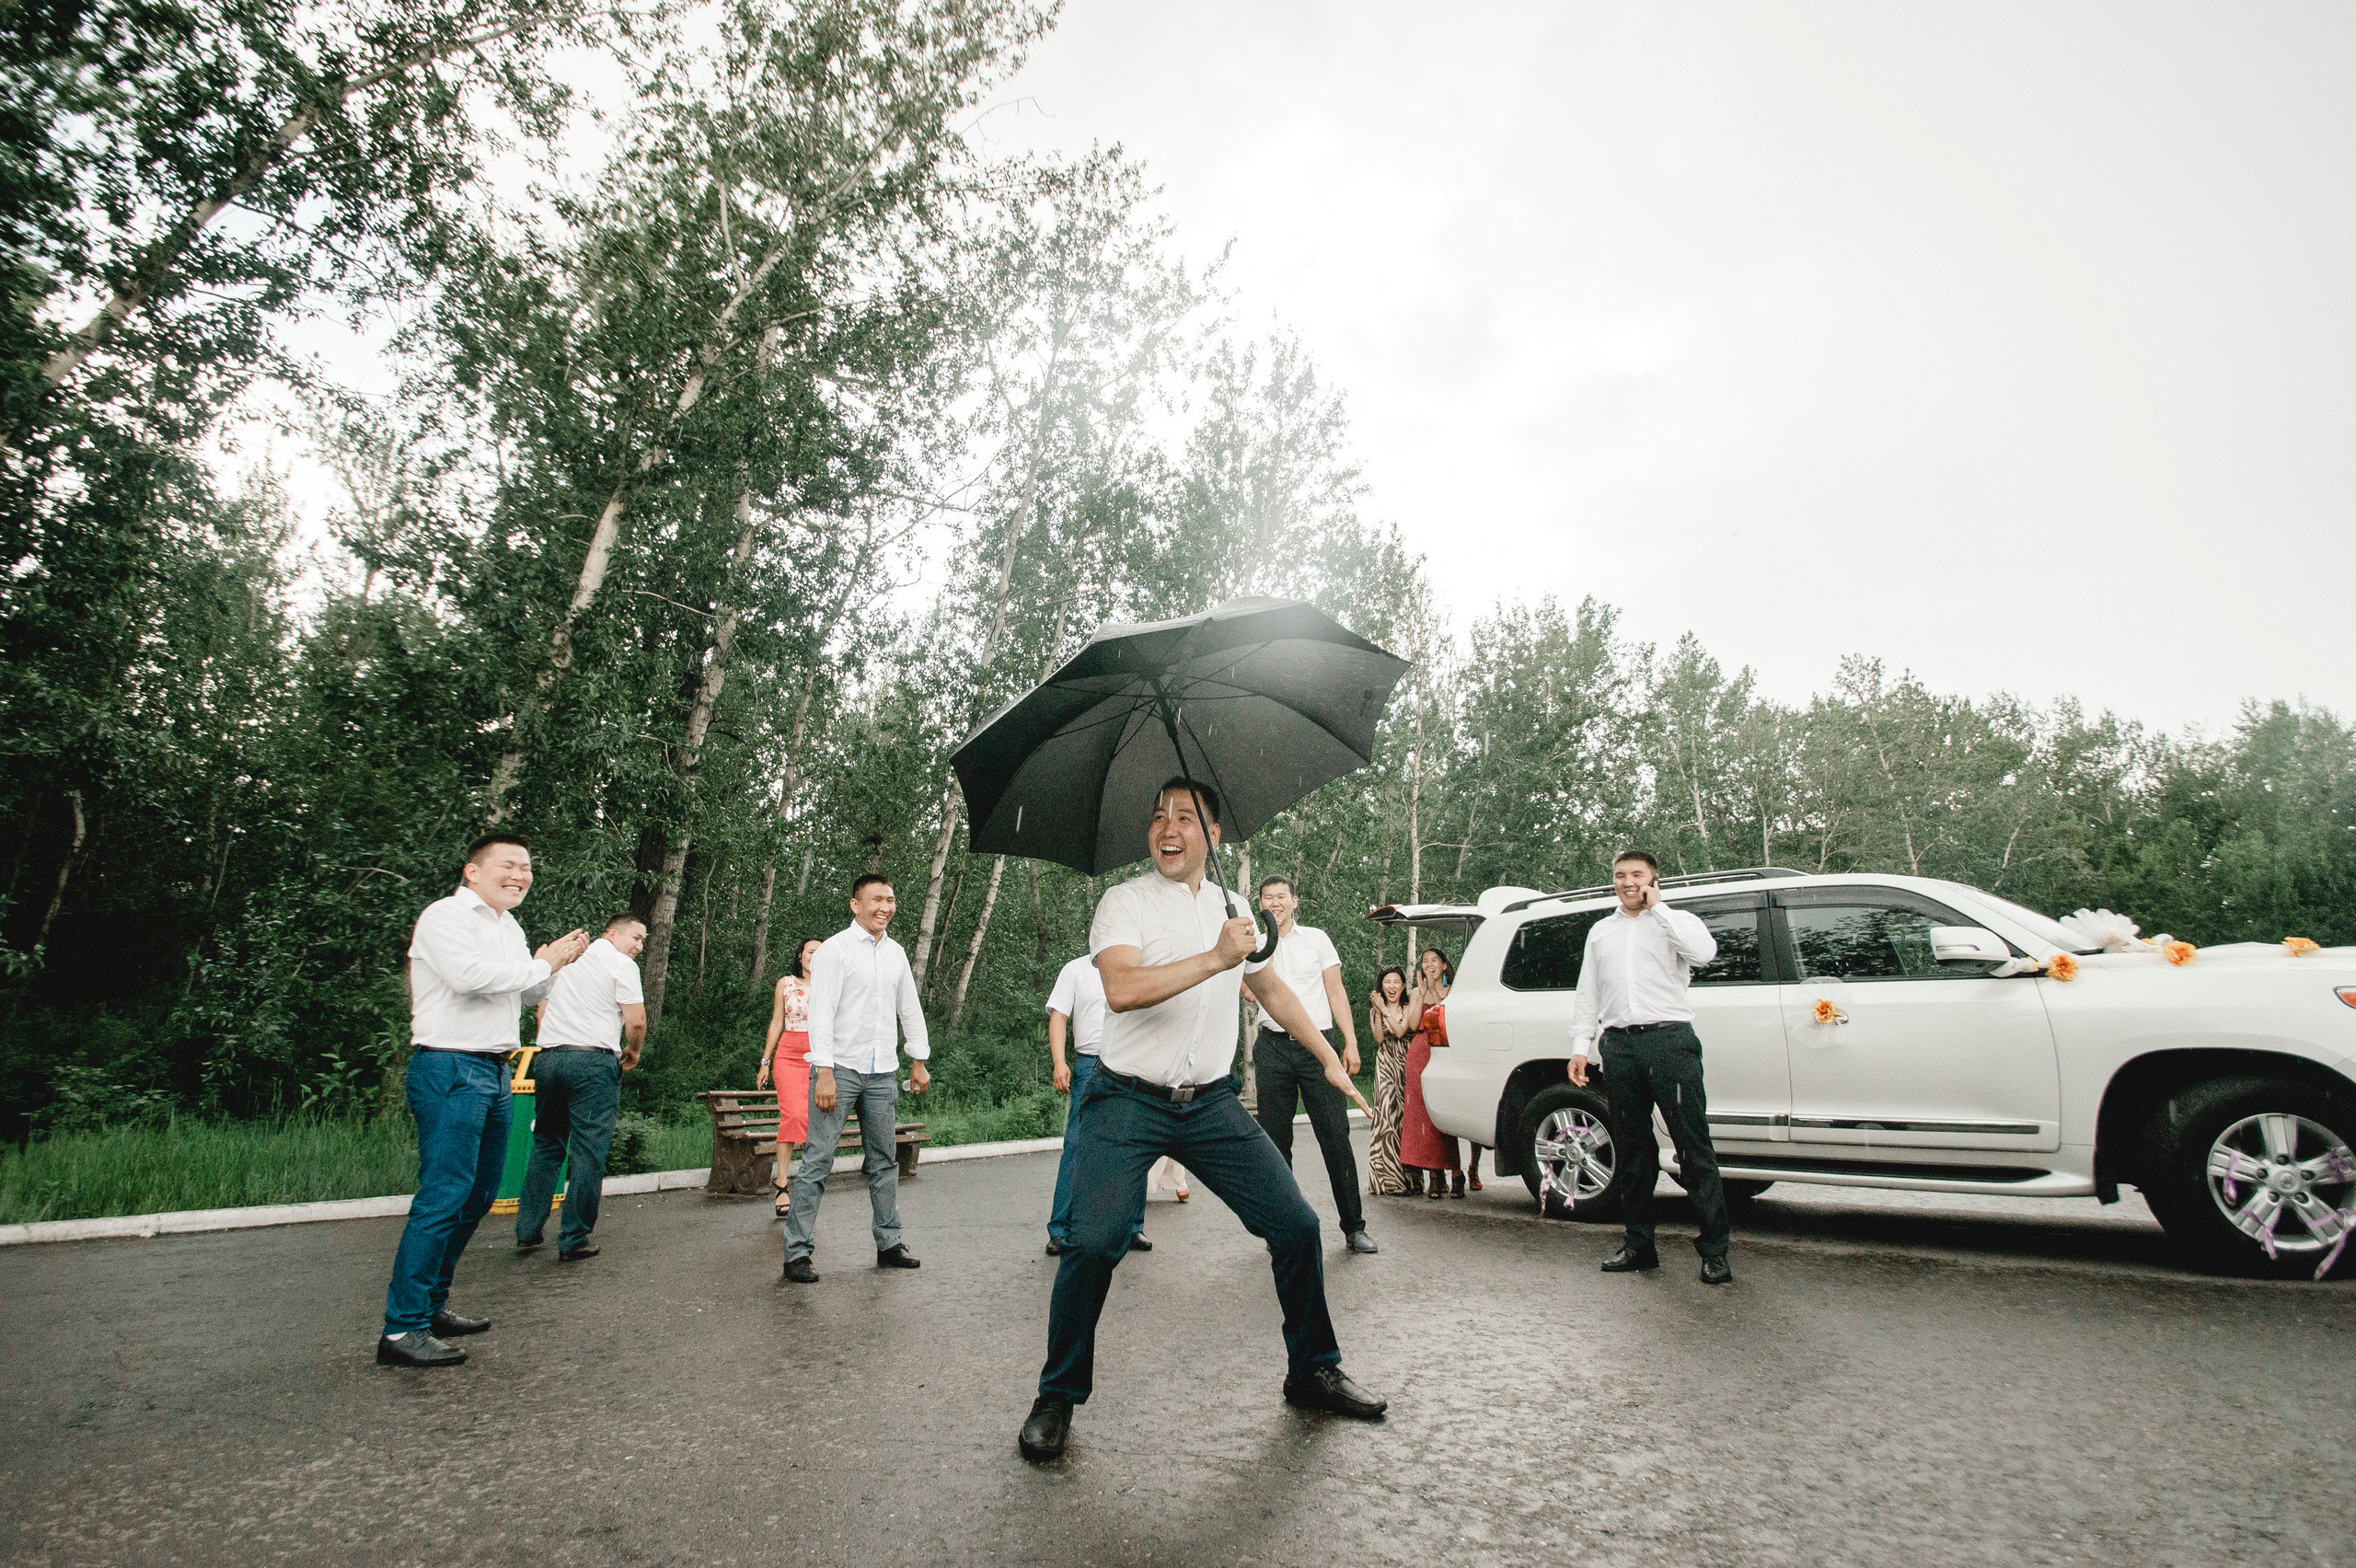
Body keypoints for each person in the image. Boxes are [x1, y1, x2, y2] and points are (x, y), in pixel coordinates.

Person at [1017, 779, 1388, 1464]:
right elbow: (1123, 990)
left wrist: (1327, 1055)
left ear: (1212, 836)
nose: (1167, 827)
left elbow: (1267, 986)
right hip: (1125, 1102)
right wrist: (1217, 955)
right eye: (1158, 815)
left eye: (1185, 817)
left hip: (1211, 1104)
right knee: (1094, 1243)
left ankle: (1311, 1368)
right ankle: (1057, 1395)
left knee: (1296, 1225)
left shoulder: (1234, 906)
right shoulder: (1122, 904)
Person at [377, 833, 588, 1368]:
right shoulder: (446, 917)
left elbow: (522, 991)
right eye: (509, 864)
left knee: (478, 1195)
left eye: (527, 867)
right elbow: (469, 979)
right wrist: (541, 965)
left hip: (493, 1070)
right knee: (445, 1194)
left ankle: (431, 1305)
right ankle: (402, 1331)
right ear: (473, 871)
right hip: (450, 1065)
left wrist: (555, 965)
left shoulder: (507, 926)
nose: (521, 874)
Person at [1569, 848, 1735, 1285]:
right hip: (1620, 1045)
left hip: (1670, 1041)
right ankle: (1639, 1244)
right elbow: (1588, 993)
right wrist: (1580, 1046)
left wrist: (1658, 907)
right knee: (1633, 1149)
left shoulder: (1677, 922)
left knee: (1692, 1145)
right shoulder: (1601, 932)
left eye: (1637, 875)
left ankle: (1714, 1250)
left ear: (1654, 879)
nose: (1628, 882)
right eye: (1620, 875)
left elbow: (1702, 954)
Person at [780, 875, 930, 1283]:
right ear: (855, 905)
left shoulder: (897, 954)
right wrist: (824, 1071)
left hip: (883, 1072)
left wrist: (918, 1059)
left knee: (884, 1161)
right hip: (840, 1071)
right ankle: (797, 1253)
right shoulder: (835, 951)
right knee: (818, 1160)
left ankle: (889, 1244)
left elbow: (909, 1009)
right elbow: (821, 1013)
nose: (885, 906)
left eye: (891, 899)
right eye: (877, 899)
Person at [1252, 873, 1377, 1254]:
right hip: (1272, 1049)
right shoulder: (1254, 945)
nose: (1275, 903)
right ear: (1260, 905)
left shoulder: (1318, 939)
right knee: (1275, 1141)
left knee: (1336, 1136)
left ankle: (1354, 1227)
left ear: (1294, 902)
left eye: (1281, 897)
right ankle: (1283, 1231)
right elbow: (1244, 987)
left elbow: (1335, 991)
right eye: (1268, 898)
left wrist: (1351, 1043)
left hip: (1318, 1049)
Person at [514, 913, 648, 1262]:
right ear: (611, 933)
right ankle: (573, 1237)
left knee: (546, 1143)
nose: (639, 946)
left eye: (643, 940)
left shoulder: (566, 957)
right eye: (635, 937)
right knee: (589, 1150)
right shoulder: (621, 965)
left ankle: (528, 1230)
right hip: (592, 1061)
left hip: (550, 1059)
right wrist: (633, 1050)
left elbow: (541, 1009)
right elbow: (636, 1020)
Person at [1045, 951, 1152, 1255]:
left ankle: (1133, 1228)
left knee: (1135, 1143)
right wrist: (1059, 1062)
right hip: (1091, 1065)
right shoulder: (1075, 969)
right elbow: (1059, 1016)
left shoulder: (1138, 968)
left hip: (1132, 1062)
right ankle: (1060, 1229)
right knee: (1078, 1144)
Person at [757, 936, 825, 1217]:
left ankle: (809, 1185)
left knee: (816, 1120)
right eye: (811, 951)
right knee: (793, 1115)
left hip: (819, 1055)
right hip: (788, 1054)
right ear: (800, 955)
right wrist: (765, 1061)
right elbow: (776, 1022)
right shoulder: (786, 983)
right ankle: (782, 1184)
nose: (815, 956)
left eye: (821, 953)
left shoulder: (830, 986)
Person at [1398, 947, 1462, 1199]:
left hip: (1444, 1050)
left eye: (1434, 960)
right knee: (1421, 1116)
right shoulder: (1417, 992)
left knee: (1443, 1115)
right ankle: (1435, 1176)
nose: (1429, 964)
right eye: (1425, 961)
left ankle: (1456, 1172)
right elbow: (1413, 1024)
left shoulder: (1452, 990)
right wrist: (1422, 993)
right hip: (1420, 1051)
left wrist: (1435, 993)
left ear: (1444, 965)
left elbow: (1451, 1018)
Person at [1365, 965, 1415, 1196]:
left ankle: (1411, 1179)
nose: (1392, 986)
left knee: (1406, 1120)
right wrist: (1378, 1011)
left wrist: (1385, 1010)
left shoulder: (1408, 1006)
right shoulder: (1376, 1009)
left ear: (1403, 985)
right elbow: (1378, 1037)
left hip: (1406, 1062)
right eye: (1387, 982)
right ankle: (1388, 1181)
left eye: (1396, 982)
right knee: (1386, 1118)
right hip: (1385, 1064)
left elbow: (1400, 1031)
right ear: (1381, 986)